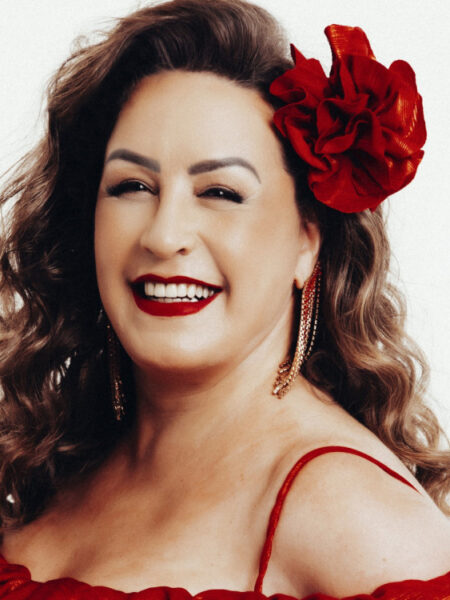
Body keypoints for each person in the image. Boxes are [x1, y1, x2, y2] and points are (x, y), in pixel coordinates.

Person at [0, 0, 449, 598]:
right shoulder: (56, 460)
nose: (164, 235)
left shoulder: (358, 520)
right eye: (132, 185)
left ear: (306, 241)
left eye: (220, 192)